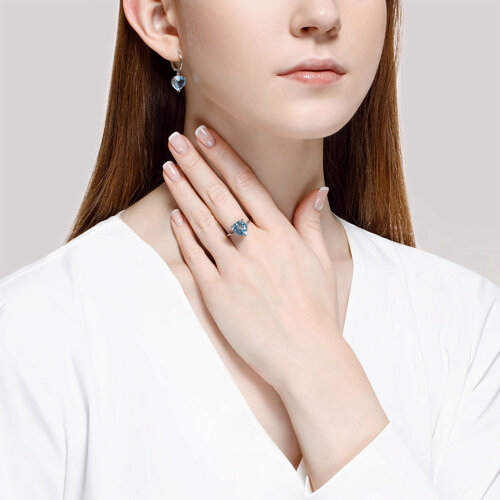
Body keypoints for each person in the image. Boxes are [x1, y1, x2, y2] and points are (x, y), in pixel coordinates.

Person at [1, 0, 499, 498]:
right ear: (161, 17)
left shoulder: (468, 326)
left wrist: (313, 363)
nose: (323, 14)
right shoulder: (35, 332)